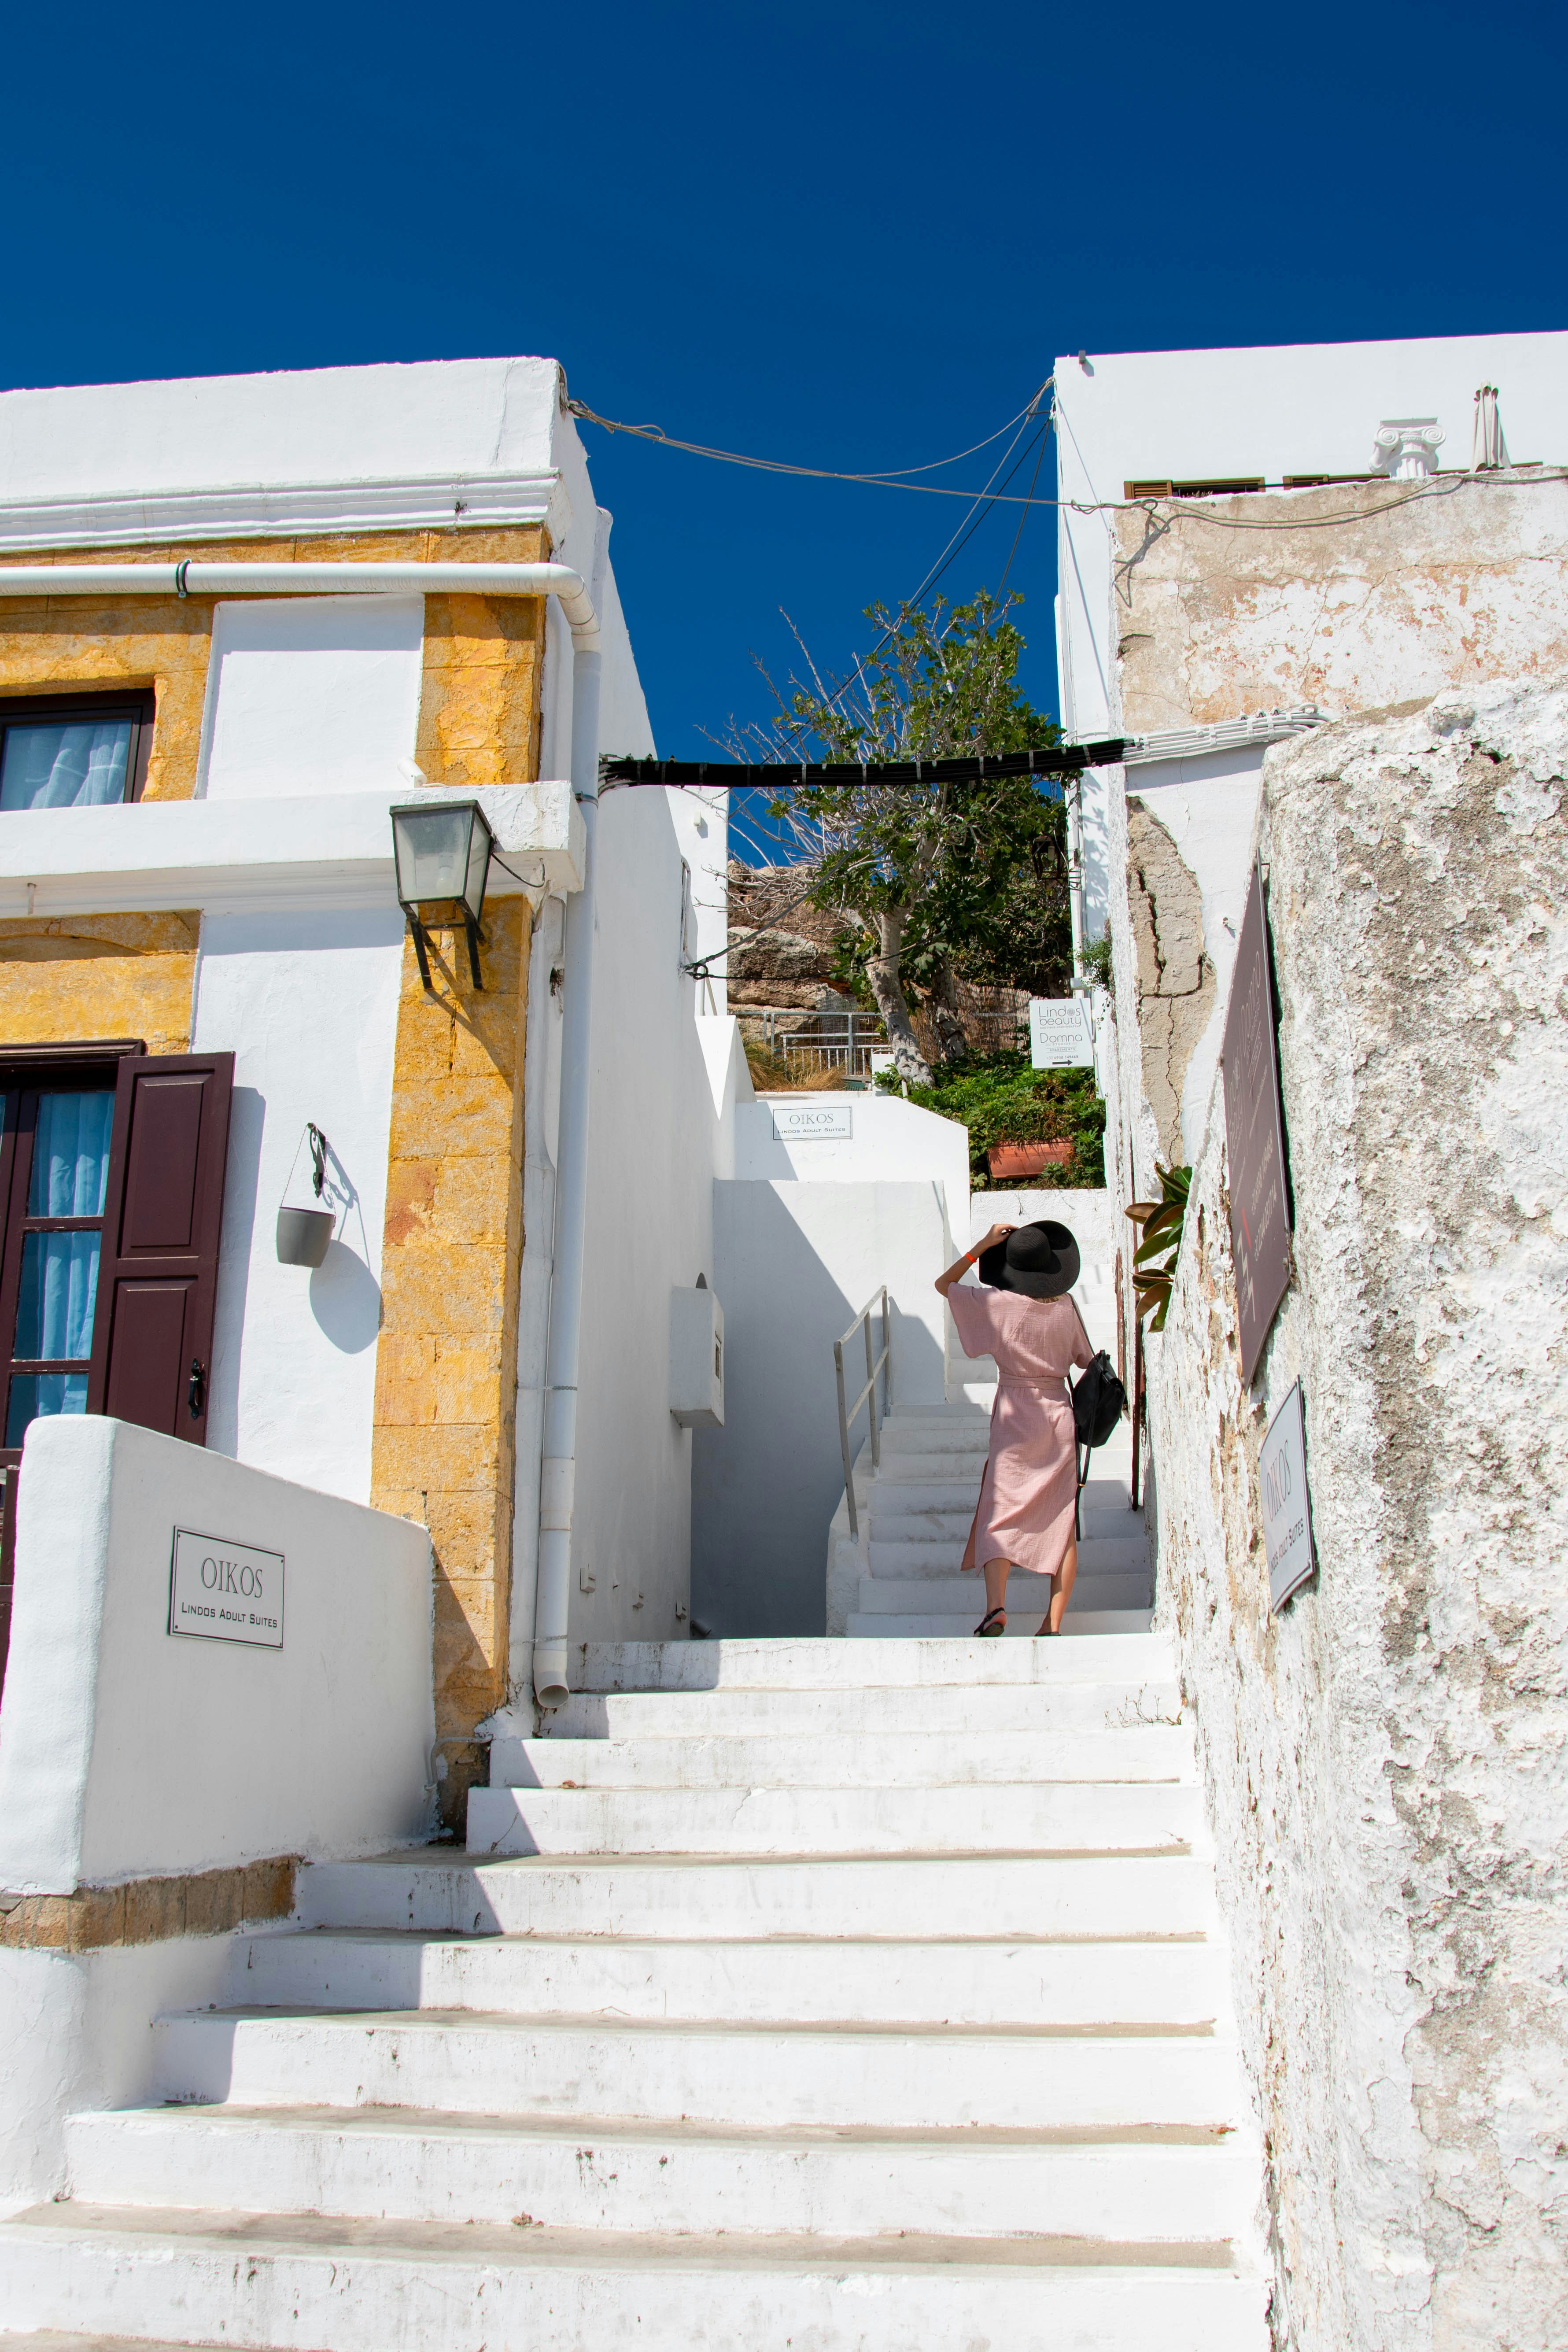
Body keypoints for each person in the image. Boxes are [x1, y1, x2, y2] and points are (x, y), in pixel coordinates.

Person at [934, 1219, 1093, 1637]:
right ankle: (1052, 1624)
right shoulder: (1066, 1307)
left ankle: (996, 1608)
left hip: (1013, 1417)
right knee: (1062, 1521)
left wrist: (982, 1245)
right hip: (1057, 1416)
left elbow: (943, 1284)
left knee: (999, 1513)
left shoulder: (998, 1304)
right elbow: (1084, 1360)